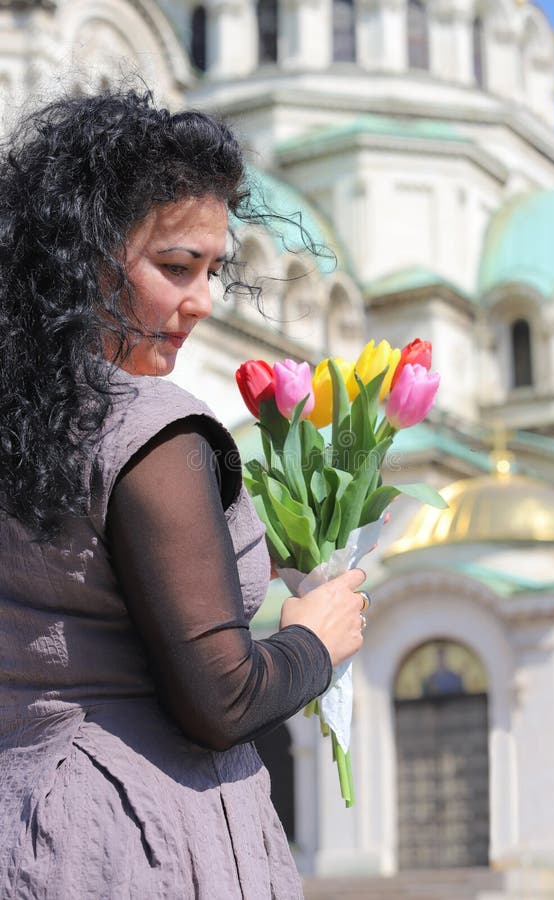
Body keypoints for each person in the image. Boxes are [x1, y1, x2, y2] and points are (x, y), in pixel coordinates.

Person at [0, 90, 367, 899]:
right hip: (145, 841)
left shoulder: (25, 423)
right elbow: (222, 698)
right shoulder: (152, 426)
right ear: (82, 255)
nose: (201, 301)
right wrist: (315, 637)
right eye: (175, 268)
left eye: (213, 270)